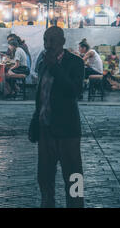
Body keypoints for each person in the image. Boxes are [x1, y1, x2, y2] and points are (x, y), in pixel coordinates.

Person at [29, 26, 85, 208]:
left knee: (74, 176)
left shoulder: (74, 62)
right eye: (46, 40)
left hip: (68, 131)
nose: (48, 45)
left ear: (62, 41)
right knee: (44, 177)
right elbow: (42, 96)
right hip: (46, 130)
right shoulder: (43, 63)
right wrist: (35, 120)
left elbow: (74, 91)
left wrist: (56, 68)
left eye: (52, 40)